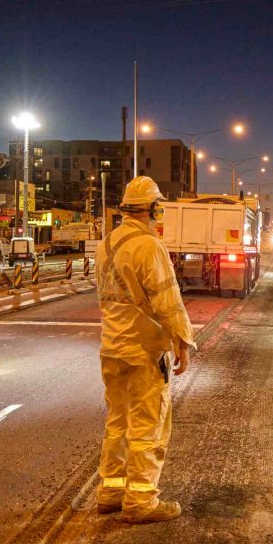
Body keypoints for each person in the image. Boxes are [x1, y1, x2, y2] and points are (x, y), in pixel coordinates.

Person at [95, 176, 194, 524]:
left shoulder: (106, 243)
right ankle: (140, 501)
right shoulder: (149, 246)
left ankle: (110, 491)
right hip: (143, 351)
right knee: (147, 426)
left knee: (117, 422)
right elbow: (167, 300)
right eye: (159, 206)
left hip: (112, 347)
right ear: (153, 209)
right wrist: (183, 341)